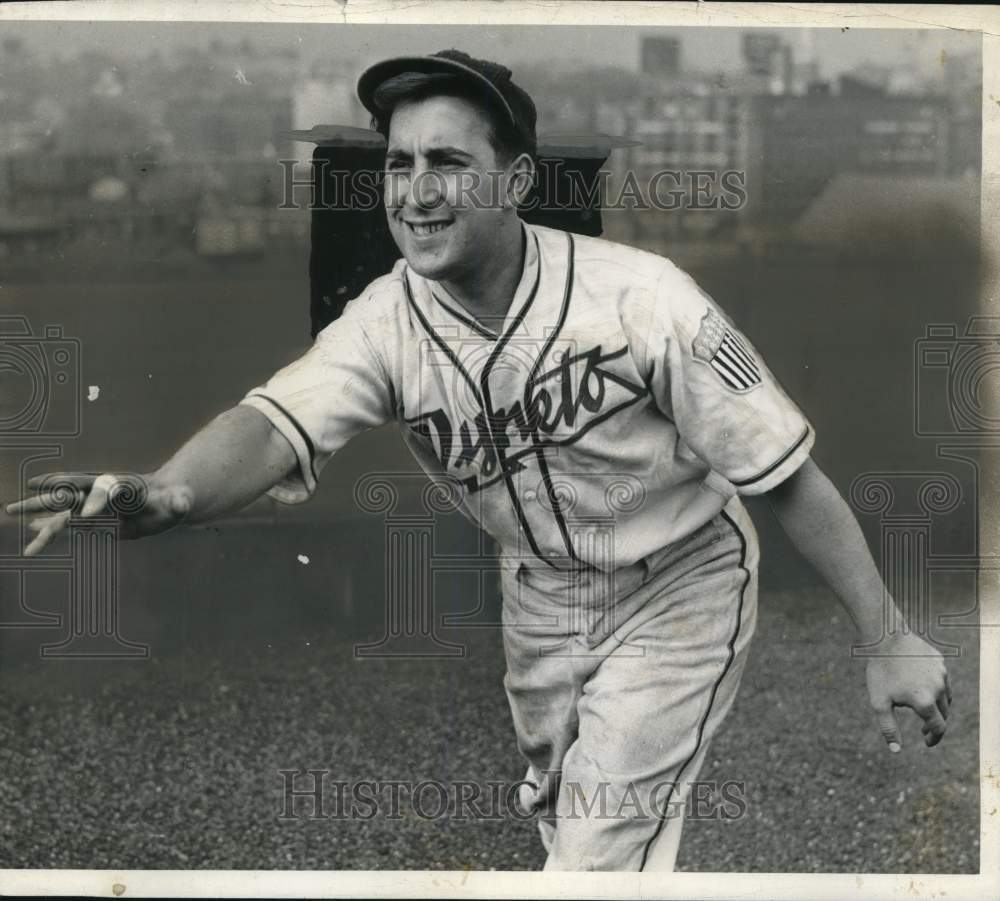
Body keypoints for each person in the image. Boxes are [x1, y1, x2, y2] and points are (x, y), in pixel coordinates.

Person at [5, 49, 951, 871]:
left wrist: (884, 631)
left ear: (515, 180)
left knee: (595, 846)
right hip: (537, 601)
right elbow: (272, 422)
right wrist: (170, 488)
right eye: (400, 164)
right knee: (570, 825)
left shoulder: (643, 302)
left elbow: (785, 473)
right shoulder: (386, 321)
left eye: (450, 163)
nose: (416, 191)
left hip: (683, 584)